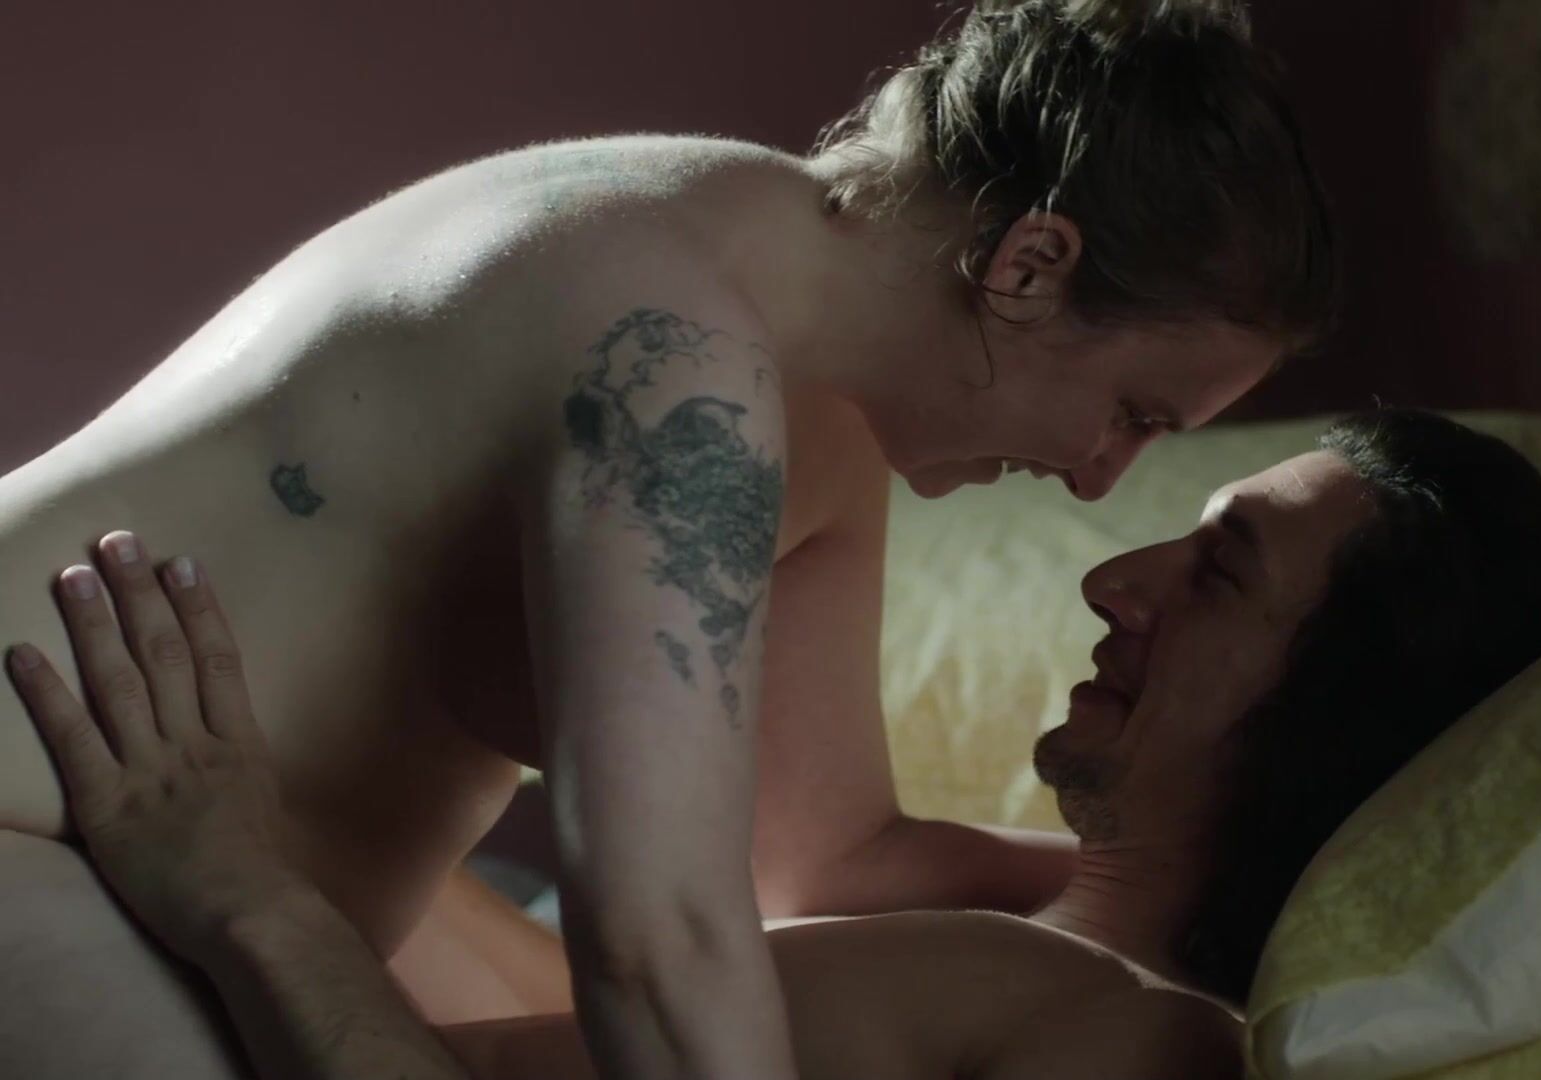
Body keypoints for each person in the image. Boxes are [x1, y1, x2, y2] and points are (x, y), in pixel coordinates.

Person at [0, 1, 1334, 1075]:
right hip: (46, 828)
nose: (1103, 480)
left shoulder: (818, 389)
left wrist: (1254, 888)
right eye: (1133, 413)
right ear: (1029, 268)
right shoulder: (680, 361)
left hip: (156, 869)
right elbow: (657, 946)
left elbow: (826, 858)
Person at [8, 411, 1541, 1079]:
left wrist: (248, 890)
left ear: (1346, 706)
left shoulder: (1120, 1029)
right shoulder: (1044, 930)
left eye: (1217, 574)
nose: (1115, 581)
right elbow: (790, 889)